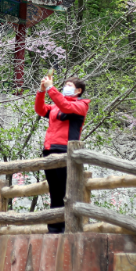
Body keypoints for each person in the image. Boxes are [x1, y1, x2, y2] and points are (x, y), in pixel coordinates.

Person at [34, 73, 89, 233]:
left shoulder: (81, 105)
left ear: (78, 91)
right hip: (50, 150)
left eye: (69, 86)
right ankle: (54, 228)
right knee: (55, 191)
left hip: (66, 151)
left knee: (67, 191)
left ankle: (68, 227)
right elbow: (40, 109)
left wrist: (51, 88)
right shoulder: (56, 106)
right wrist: (42, 91)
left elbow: (66, 106)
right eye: (65, 85)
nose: (66, 88)